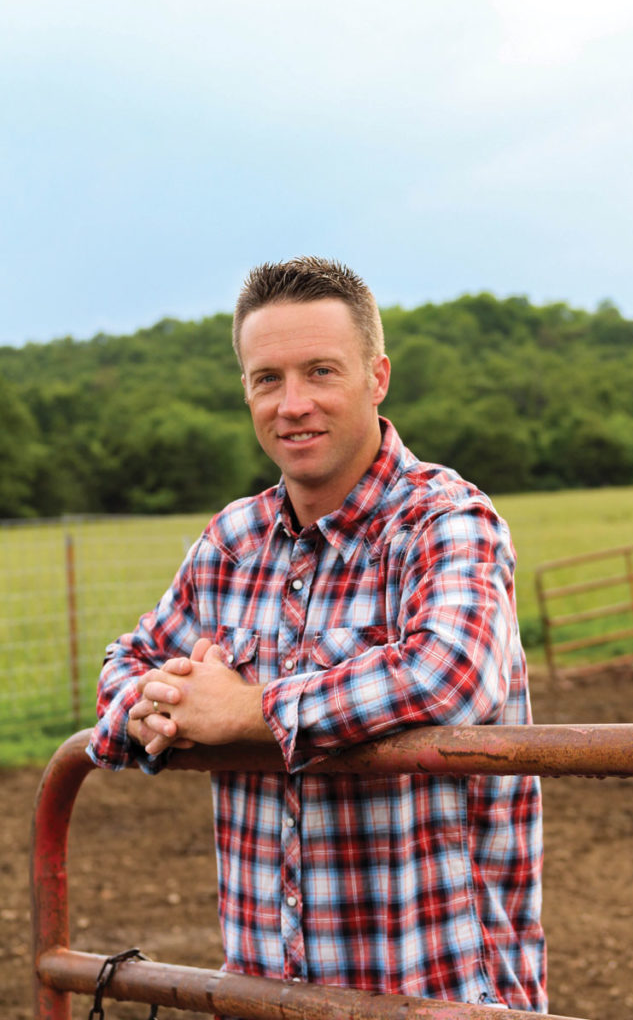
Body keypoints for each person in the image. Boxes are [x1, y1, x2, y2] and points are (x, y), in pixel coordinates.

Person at [88, 257, 546, 1012]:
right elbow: (125, 662)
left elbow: (446, 675)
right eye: (267, 379)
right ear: (245, 391)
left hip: (437, 991)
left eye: (320, 372)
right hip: (267, 993)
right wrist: (149, 703)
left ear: (377, 377)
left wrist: (243, 712)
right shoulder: (232, 541)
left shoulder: (442, 520)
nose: (292, 404)